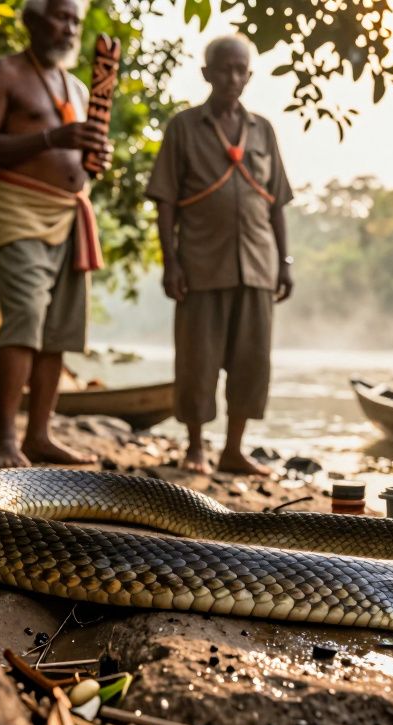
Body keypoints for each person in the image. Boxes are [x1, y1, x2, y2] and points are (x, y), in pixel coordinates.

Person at [0, 0, 111, 468]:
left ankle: (40, 435)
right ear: (31, 18)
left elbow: (81, 155)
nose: (69, 28)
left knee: (59, 330)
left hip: (71, 214)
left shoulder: (79, 87)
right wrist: (52, 139)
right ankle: (4, 439)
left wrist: (96, 161)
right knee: (25, 315)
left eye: (76, 21)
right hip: (19, 208)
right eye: (61, 17)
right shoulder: (5, 73)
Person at [145, 34, 295, 476]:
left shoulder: (263, 129)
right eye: (224, 69)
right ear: (206, 73)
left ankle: (234, 449)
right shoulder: (183, 127)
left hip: (258, 267)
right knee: (198, 361)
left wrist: (284, 263)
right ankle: (195, 448)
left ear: (249, 75)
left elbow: (276, 202)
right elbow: (165, 200)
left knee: (251, 362)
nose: (232, 77)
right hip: (200, 265)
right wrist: (171, 262)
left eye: (240, 70)